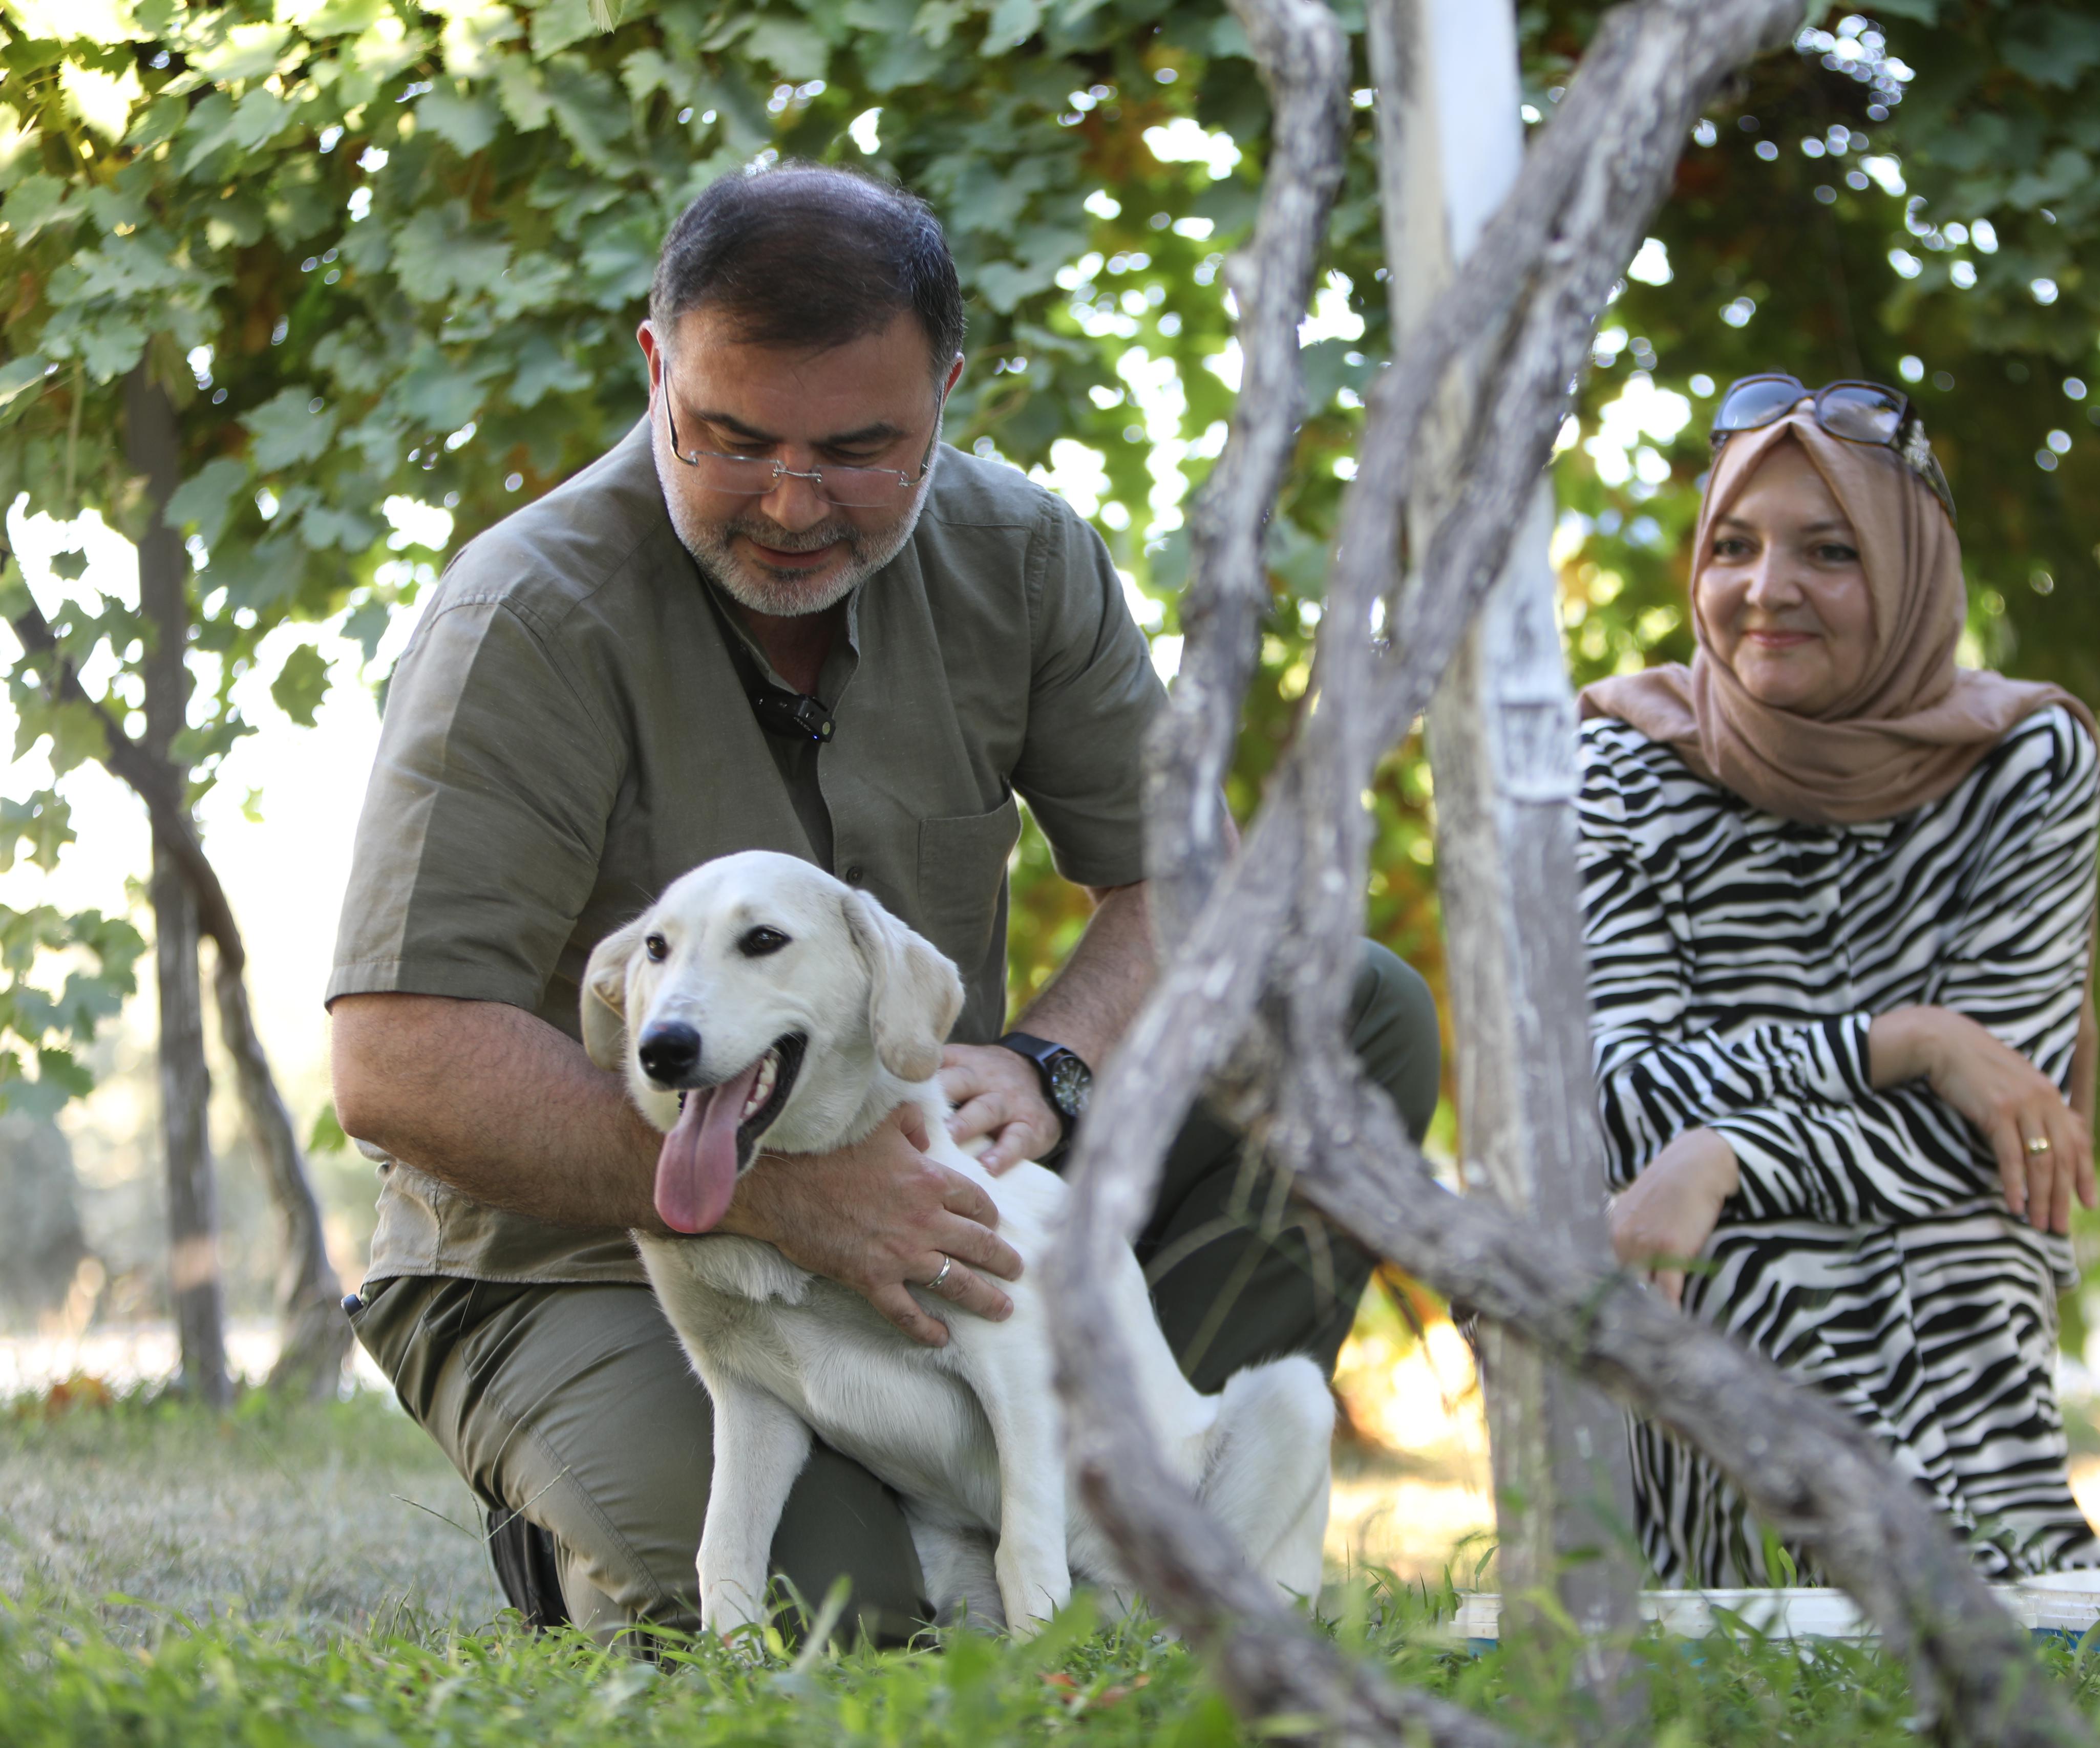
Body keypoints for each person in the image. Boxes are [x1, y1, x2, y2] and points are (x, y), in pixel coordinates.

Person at [326, 164, 1439, 1644]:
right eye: (730, 440)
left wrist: (1048, 1065)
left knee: (1344, 1004)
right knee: (830, 1622)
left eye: (861, 449)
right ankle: (584, 1515)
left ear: (948, 394)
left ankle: (1127, 1508)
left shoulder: (1027, 558)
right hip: (589, 1249)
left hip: (938, 1189)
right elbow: (395, 1057)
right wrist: (787, 1194)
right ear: (658, 370)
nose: (792, 504)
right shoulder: (524, 614)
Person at [1577, 374, 2100, 1586]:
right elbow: (1618, 1097)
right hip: (1664, 1230)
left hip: (1932, 1220)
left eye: (1829, 552)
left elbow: (2001, 1138)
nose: (1766, 591)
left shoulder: (2026, 761)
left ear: (1911, 569)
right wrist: (1903, 1041)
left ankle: (1949, 1605)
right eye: (1733, 546)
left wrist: (1725, 1156)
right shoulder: (1616, 757)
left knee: (1958, 1253)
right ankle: (1782, 1622)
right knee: (1721, 1266)